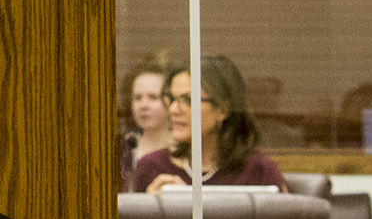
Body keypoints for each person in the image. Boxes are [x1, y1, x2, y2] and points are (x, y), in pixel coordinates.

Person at [131, 55, 288, 192]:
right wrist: (151, 207)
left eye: (188, 100)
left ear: (222, 109)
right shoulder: (150, 168)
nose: (173, 109)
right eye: (172, 99)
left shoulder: (259, 171)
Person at [115, 55, 172, 191]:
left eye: (153, 97)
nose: (143, 105)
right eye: (137, 98)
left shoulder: (185, 150)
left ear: (171, 100)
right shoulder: (118, 148)